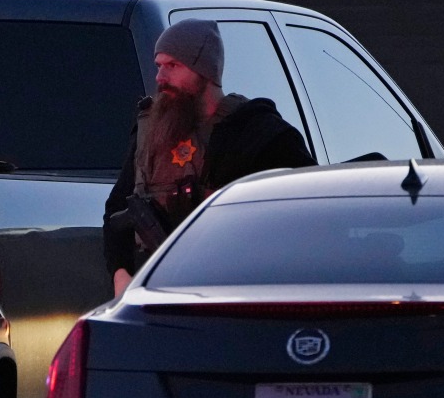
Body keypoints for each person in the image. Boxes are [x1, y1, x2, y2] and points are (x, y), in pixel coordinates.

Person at [103, 18, 316, 296]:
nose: (160, 78)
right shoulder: (150, 131)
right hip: (155, 292)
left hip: (232, 293)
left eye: (173, 66)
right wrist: (121, 276)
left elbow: (307, 215)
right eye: (159, 65)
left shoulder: (260, 132)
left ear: (204, 71)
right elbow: (117, 209)